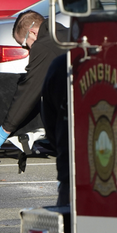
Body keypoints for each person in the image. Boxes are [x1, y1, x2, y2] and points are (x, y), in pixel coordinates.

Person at [0, 11, 68, 149]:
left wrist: (4, 131)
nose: (28, 49)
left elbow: (29, 91)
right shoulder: (63, 34)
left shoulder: (44, 46)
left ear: (33, 33)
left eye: (24, 44)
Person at [41, 54, 70, 206]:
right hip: (71, 173)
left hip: (72, 169)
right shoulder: (62, 64)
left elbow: (50, 120)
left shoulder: (63, 64)